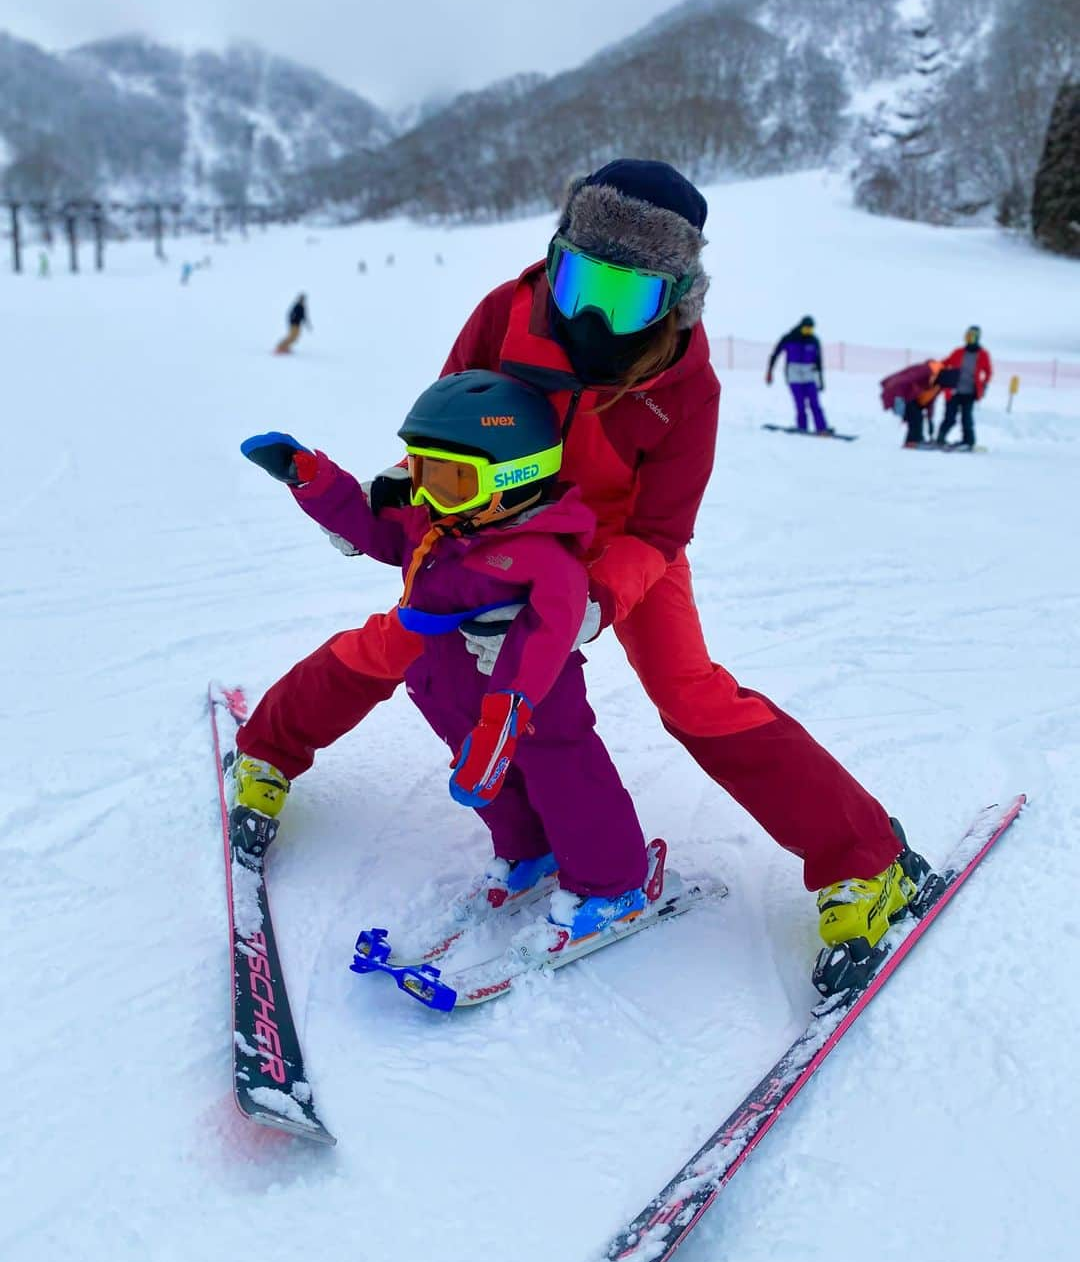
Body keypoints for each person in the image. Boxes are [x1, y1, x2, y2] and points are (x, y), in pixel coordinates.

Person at [235, 159, 931, 995]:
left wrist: (594, 604)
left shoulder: (684, 384)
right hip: (496, 526)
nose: (593, 314)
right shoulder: (505, 312)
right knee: (405, 647)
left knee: (693, 694)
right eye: (579, 280)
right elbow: (452, 417)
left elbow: (663, 528)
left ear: (675, 299)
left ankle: (867, 858)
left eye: (628, 296)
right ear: (556, 256)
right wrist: (398, 495)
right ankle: (269, 754)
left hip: (620, 550)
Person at [233, 371, 649, 945]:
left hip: (528, 699)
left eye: (450, 481)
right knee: (487, 784)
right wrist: (312, 480)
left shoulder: (545, 560)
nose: (427, 497)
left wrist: (501, 724)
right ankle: (529, 848)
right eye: (422, 474)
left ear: (513, 478)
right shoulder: (447, 521)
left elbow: (542, 645)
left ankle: (612, 883)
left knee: (565, 777)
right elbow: (374, 526)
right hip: (444, 683)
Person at [766, 316, 830, 434]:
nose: (809, 331)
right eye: (807, 328)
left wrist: (821, 380)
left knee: (815, 403)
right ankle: (802, 426)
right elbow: (775, 354)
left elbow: (819, 362)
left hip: (810, 376)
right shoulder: (789, 338)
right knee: (800, 404)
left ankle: (822, 428)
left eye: (811, 329)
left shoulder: (814, 341)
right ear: (801, 326)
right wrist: (769, 372)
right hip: (794, 376)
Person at [936, 325, 993, 448]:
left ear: (977, 338)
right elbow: (944, 363)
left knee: (966, 419)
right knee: (949, 418)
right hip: (953, 392)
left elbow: (988, 372)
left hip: (970, 393)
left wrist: (984, 385)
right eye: (967, 335)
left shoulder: (983, 354)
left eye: (972, 336)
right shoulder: (958, 352)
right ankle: (940, 439)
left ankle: (969, 442)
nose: (968, 338)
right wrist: (932, 366)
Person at [880, 359, 953, 446]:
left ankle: (915, 440)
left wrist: (930, 419)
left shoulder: (939, 383)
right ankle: (913, 441)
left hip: (912, 398)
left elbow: (930, 400)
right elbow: (901, 381)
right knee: (916, 417)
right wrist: (898, 398)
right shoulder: (926, 370)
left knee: (916, 416)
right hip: (901, 395)